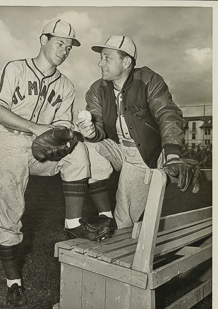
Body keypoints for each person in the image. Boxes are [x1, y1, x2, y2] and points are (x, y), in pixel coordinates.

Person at [0, 19, 108, 307]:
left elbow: (61, 124)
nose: (64, 50)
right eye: (59, 42)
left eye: (69, 46)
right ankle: (14, 283)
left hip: (41, 146)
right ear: (43, 40)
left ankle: (73, 224)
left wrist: (67, 136)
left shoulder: (65, 85)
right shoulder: (14, 68)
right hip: (7, 142)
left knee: (78, 152)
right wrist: (36, 128)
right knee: (10, 217)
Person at [76, 35, 186, 230]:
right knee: (86, 146)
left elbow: (167, 114)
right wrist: (91, 132)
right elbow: (98, 128)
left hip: (144, 154)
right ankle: (104, 216)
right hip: (117, 147)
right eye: (101, 58)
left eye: (107, 58)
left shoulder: (148, 79)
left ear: (126, 61)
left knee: (125, 221)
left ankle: (126, 241)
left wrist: (173, 154)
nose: (100, 63)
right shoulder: (97, 89)